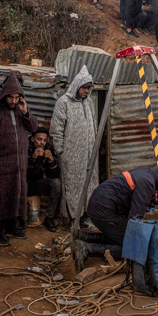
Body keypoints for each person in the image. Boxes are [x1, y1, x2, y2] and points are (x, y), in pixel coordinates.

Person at [77, 165, 158, 270]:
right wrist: (143, 242)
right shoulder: (147, 183)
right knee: (133, 247)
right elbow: (134, 220)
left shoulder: (147, 174)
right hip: (104, 210)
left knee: (120, 235)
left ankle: (83, 236)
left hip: (100, 205)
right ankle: (88, 249)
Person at [0, 72, 38, 246]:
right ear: (4, 95)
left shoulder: (20, 109)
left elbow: (34, 127)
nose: (14, 101)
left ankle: (11, 226)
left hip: (18, 164)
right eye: (11, 97)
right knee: (0, 196)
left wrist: (25, 111)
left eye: (17, 97)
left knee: (16, 194)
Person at [50, 66, 97, 227]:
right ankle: (73, 217)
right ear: (77, 86)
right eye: (84, 88)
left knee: (89, 184)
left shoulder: (89, 102)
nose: (86, 91)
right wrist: (61, 151)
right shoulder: (64, 103)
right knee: (72, 186)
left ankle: (86, 215)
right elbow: (56, 130)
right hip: (72, 154)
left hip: (89, 154)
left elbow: (94, 124)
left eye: (88, 88)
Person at [27, 128, 62, 232]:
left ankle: (49, 217)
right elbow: (24, 172)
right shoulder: (26, 147)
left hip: (37, 184)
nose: (42, 143)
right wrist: (33, 158)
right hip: (23, 184)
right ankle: (20, 220)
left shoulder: (48, 148)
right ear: (32, 139)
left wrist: (51, 160)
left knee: (56, 183)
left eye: (44, 140)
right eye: (39, 139)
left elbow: (54, 174)